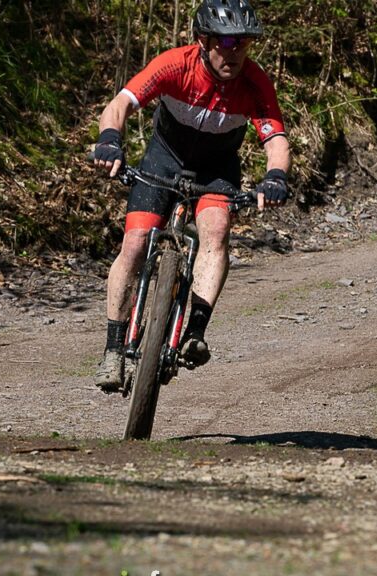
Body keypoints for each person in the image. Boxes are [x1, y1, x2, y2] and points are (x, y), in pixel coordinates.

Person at [90, 0, 291, 393]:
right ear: (203, 40)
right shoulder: (173, 65)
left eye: (244, 42)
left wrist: (275, 178)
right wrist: (110, 141)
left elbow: (277, 140)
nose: (234, 51)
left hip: (217, 170)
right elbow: (120, 105)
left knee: (215, 233)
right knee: (133, 245)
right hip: (163, 160)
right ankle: (114, 350)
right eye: (226, 40)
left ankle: (194, 331)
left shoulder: (254, 82)